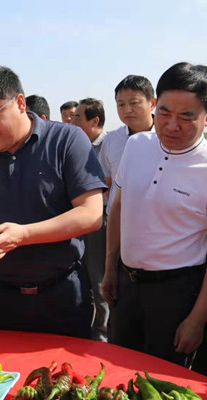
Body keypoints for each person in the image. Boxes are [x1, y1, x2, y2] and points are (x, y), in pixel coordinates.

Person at [0, 65, 106, 339]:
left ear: (19, 103)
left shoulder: (66, 141)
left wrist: (24, 235)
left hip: (62, 295)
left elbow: (91, 214)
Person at [101, 62, 207, 369]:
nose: (171, 126)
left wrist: (197, 320)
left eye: (186, 117)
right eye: (164, 112)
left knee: (162, 379)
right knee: (119, 371)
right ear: (155, 105)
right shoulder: (136, 146)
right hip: (127, 285)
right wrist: (110, 267)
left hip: (178, 295)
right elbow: (118, 207)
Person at [72, 98, 109, 342]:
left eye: (77, 117)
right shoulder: (75, 145)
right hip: (77, 219)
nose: (72, 121)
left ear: (94, 121)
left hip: (101, 219)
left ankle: (101, 336)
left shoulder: (108, 146)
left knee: (100, 280)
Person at [99, 75, 156, 215]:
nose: (127, 109)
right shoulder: (111, 139)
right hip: (119, 221)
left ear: (153, 103)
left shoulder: (168, 138)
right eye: (121, 104)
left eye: (134, 103)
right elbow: (107, 181)